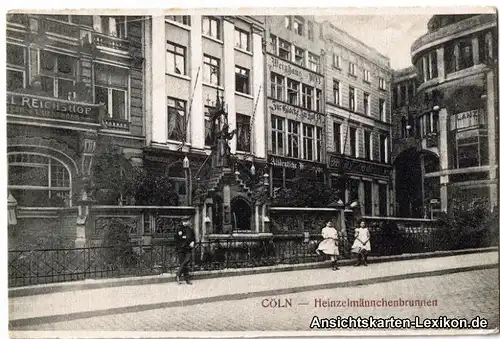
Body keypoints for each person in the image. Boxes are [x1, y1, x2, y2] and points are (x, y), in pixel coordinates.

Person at [174, 216, 195, 284]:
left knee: (187, 260)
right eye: (184, 221)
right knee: (183, 264)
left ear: (188, 222)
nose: (185, 223)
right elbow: (178, 238)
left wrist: (193, 242)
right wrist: (185, 238)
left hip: (188, 248)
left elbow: (193, 237)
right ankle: (187, 279)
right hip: (181, 248)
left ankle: (178, 274)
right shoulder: (179, 228)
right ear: (182, 221)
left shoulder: (190, 229)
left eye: (187, 221)